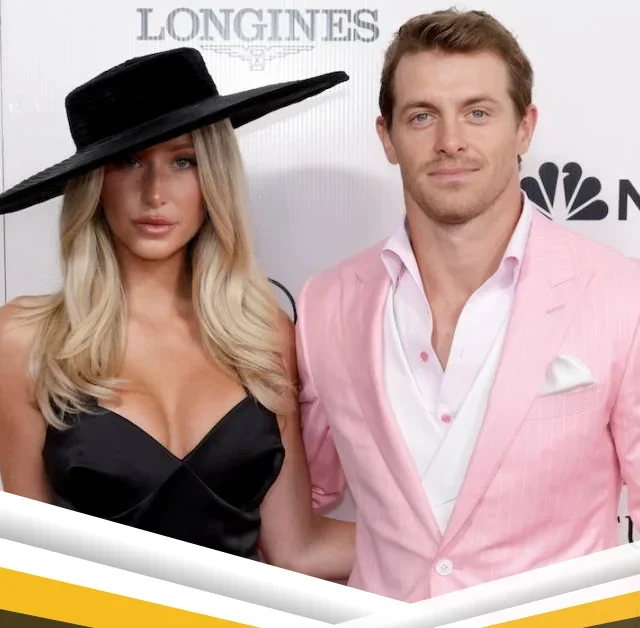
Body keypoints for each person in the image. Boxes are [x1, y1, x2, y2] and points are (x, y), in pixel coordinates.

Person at [296, 8, 640, 601]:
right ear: (387, 137)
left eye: (478, 113)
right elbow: (308, 495)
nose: (450, 141)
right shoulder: (326, 304)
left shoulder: (621, 294)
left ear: (525, 128)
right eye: (422, 116)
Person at [0, 47, 355, 580]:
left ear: (213, 177)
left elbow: (296, 551)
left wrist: (466, 548)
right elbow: (30, 567)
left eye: (183, 161)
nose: (155, 193)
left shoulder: (261, 334)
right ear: (93, 185)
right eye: (129, 162)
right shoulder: (27, 341)